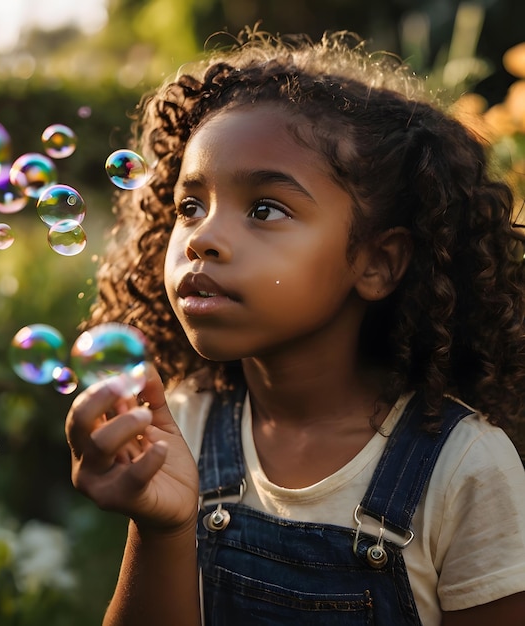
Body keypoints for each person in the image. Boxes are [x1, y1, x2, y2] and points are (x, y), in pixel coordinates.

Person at [65, 27, 525, 626]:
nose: (202, 238)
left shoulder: (464, 470)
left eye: (265, 209)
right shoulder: (182, 423)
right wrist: (162, 526)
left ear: (377, 262)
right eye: (190, 206)